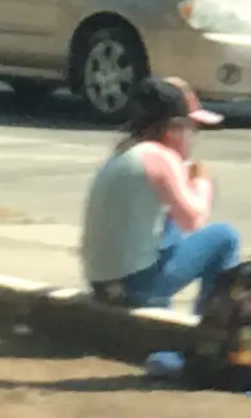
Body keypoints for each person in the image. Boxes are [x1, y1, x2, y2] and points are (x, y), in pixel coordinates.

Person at [80, 75, 240, 311]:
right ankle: (211, 329)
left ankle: (161, 310)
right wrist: (202, 182)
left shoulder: (125, 151)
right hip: (135, 284)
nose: (193, 137)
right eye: (191, 128)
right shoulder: (161, 157)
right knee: (225, 237)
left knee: (168, 226)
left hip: (102, 282)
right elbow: (193, 220)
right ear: (172, 128)